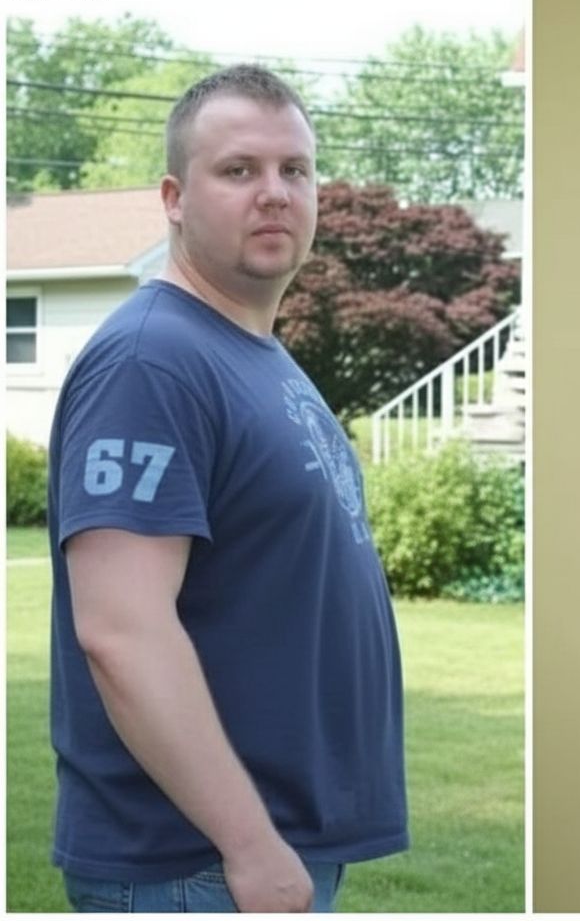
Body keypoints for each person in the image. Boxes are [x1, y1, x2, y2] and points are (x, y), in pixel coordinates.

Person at [48, 64, 407, 913]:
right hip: (197, 864)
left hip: (253, 854)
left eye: (296, 170)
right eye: (238, 170)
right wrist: (250, 847)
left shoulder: (249, 353)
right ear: (174, 197)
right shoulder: (152, 360)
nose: (275, 193)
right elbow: (122, 631)